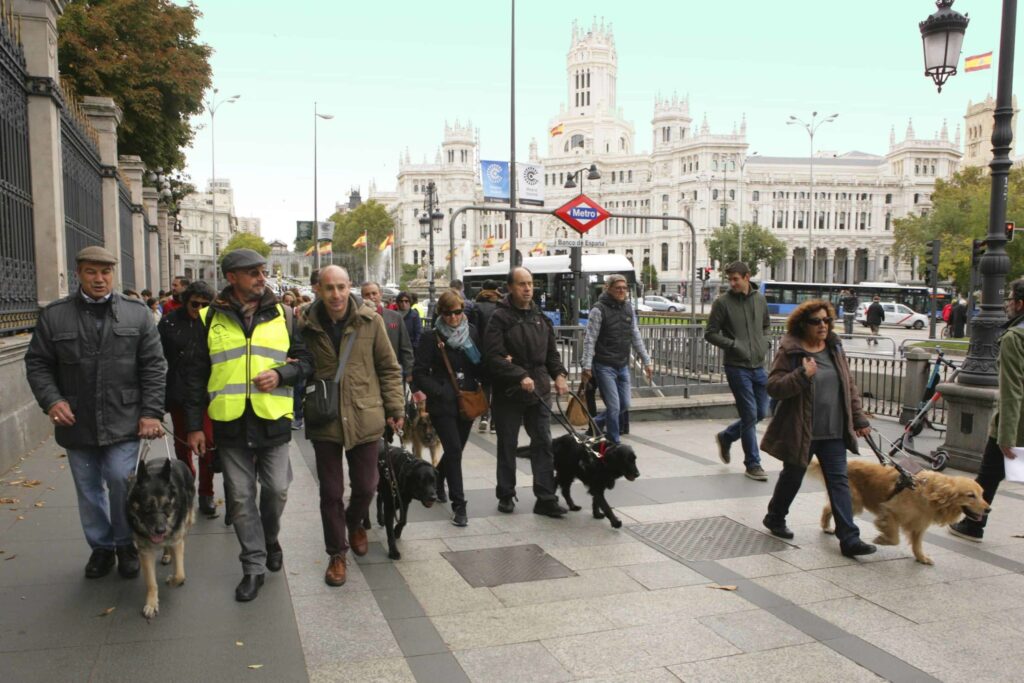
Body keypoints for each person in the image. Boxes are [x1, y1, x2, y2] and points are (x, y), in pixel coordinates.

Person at [25, 246, 167, 579]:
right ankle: (101, 548)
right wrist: (52, 400)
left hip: (125, 417)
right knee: (88, 489)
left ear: (113, 275)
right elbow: (38, 364)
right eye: (91, 272)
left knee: (120, 480)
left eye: (105, 272)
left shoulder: (137, 313)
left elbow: (154, 366)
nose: (99, 279)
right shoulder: (55, 315)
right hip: (77, 420)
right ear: (79, 274)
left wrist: (151, 413)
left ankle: (124, 544)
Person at [183, 248, 312, 602]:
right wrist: (195, 426)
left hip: (272, 420)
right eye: (252, 272)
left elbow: (307, 363)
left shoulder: (284, 315)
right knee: (240, 499)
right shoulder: (209, 318)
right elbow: (194, 377)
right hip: (230, 424)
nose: (261, 277)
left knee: (277, 490)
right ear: (231, 278)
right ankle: (252, 566)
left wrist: (282, 373)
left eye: (262, 271)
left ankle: (270, 538)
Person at [300, 266, 404, 587]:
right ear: (318, 288)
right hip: (326, 417)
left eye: (342, 287)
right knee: (330, 492)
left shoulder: (370, 321)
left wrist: (395, 407)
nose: (336, 295)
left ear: (350, 287)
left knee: (366, 486)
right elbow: (298, 363)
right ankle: (337, 553)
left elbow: (388, 367)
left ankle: (355, 522)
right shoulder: (304, 324)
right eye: (329, 288)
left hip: (365, 414)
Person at [761, 299, 876, 558]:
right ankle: (775, 516)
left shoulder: (834, 348)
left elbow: (848, 386)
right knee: (793, 476)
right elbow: (774, 387)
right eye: (816, 321)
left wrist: (859, 419)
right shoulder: (791, 352)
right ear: (803, 325)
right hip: (803, 429)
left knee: (839, 482)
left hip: (834, 430)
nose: (823, 325)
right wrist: (802, 375)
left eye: (826, 320)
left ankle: (849, 538)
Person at [484, 266, 570, 517]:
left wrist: (560, 375)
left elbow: (551, 354)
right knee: (507, 444)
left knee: (543, 443)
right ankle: (506, 494)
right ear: (510, 288)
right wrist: (519, 375)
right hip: (509, 392)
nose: (527, 288)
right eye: (522, 284)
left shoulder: (540, 318)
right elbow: (492, 357)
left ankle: (545, 497)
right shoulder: (499, 318)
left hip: (539, 391)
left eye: (530, 284)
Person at [949, 279, 1024, 542]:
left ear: (1020, 304)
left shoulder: (1015, 337)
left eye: (1011, 298)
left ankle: (973, 525)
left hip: (1016, 424)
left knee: (988, 476)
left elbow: (1012, 389)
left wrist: (1006, 435)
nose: (1007, 303)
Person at [413, 290, 484, 527]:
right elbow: (419, 373)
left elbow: (480, 364)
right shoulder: (430, 337)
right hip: (443, 403)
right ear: (440, 313)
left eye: (458, 312)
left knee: (455, 451)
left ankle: (439, 477)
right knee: (453, 450)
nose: (453, 318)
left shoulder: (472, 332)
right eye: (448, 313)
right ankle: (459, 505)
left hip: (467, 400)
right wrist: (439, 389)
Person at [705, 261, 771, 481]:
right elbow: (710, 333)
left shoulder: (760, 300)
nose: (732, 283)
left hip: (759, 365)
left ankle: (727, 436)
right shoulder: (722, 303)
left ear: (747, 277)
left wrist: (765, 343)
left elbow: (765, 326)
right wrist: (733, 345)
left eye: (736, 279)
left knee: (762, 411)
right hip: (736, 367)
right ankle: (753, 464)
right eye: (729, 279)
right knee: (749, 414)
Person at [158, 280, 219, 518]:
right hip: (179, 393)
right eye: (196, 304)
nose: (200, 309)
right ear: (186, 302)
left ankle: (207, 492)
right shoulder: (169, 322)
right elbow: (158, 359)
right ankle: (186, 489)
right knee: (184, 445)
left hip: (207, 393)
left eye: (206, 305)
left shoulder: (214, 322)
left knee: (208, 444)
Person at [580, 274, 653, 444]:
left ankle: (596, 423)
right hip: (604, 365)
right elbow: (590, 339)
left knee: (625, 404)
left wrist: (647, 360)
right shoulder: (598, 309)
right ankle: (614, 442)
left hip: (622, 365)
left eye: (624, 288)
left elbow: (635, 335)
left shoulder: (628, 308)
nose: (622, 291)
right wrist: (587, 366)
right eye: (618, 288)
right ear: (608, 288)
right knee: (614, 406)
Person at [471, 280, 501, 433]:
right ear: (496, 290)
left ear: (482, 290)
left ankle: (484, 417)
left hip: (482, 353)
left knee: (485, 387)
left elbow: (474, 331)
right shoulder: (501, 306)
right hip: (499, 353)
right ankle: (495, 423)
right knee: (497, 388)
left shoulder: (476, 306)